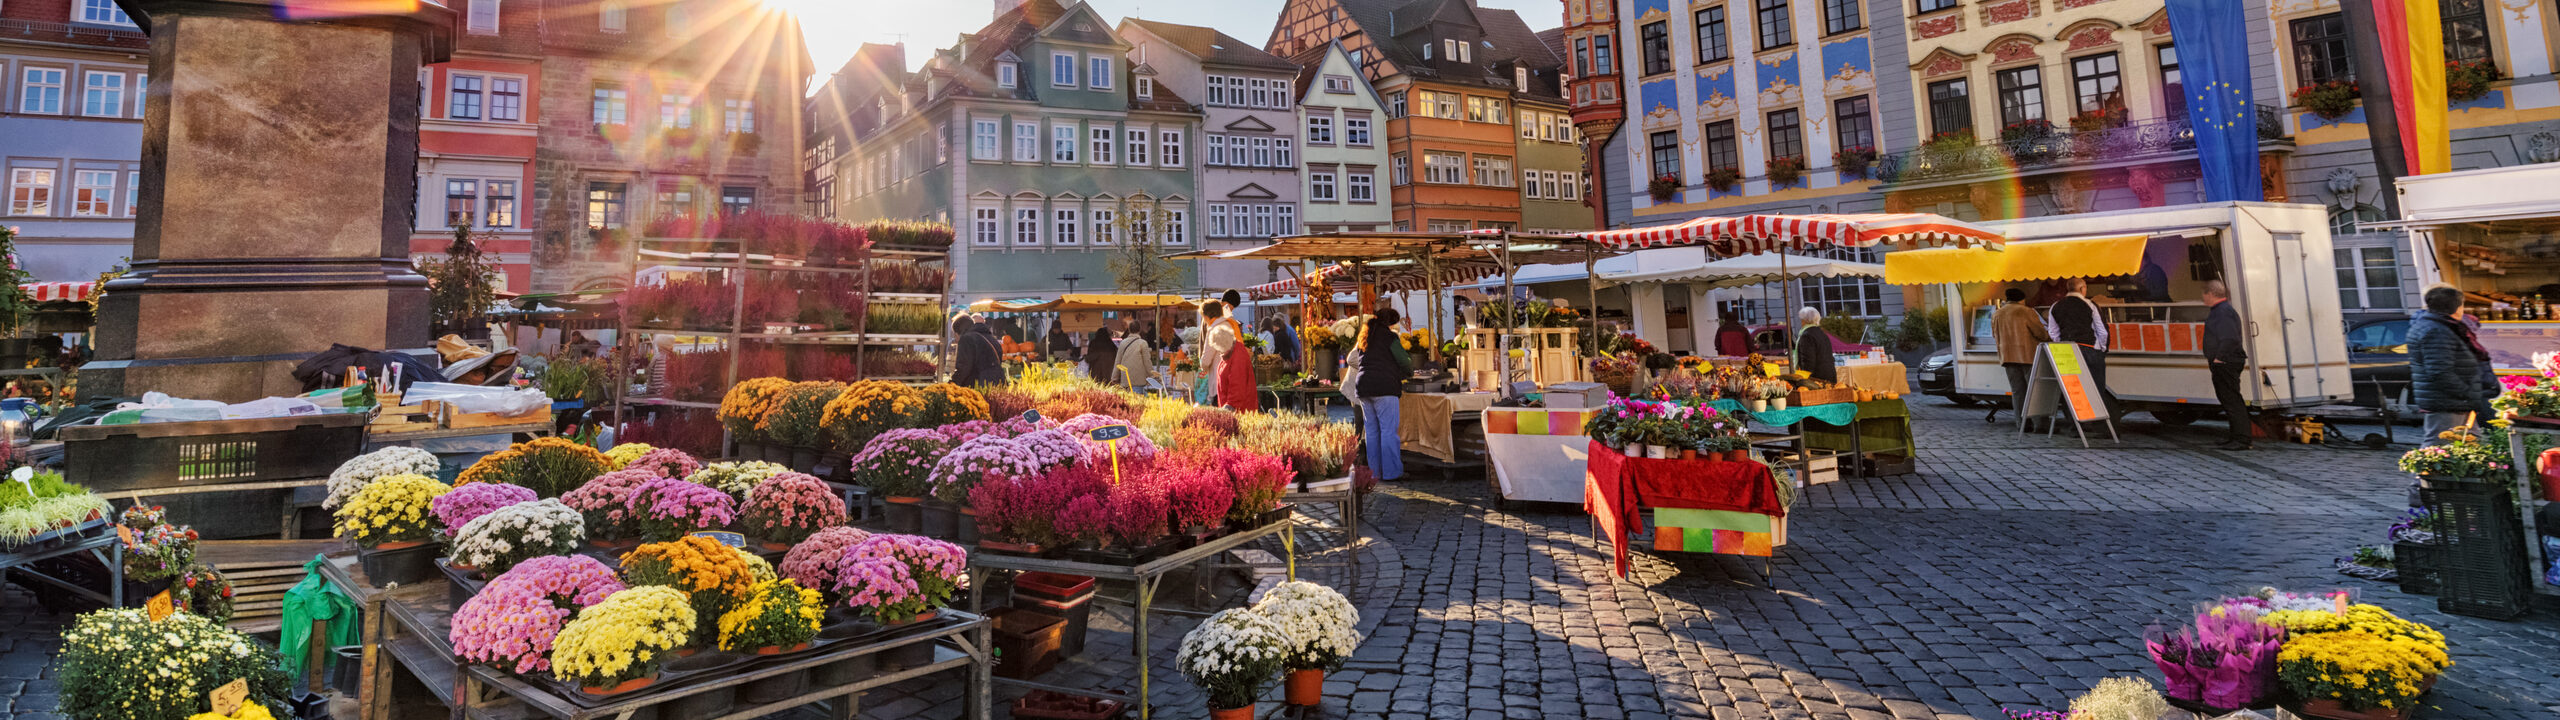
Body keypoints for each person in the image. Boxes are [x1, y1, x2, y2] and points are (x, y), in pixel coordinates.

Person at [2407, 284, 2500, 442]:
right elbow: (2439, 371)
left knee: (2470, 442)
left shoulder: (2439, 326)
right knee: (2440, 446)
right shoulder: (2436, 330)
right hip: (2447, 401)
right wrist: (2467, 392)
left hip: (2454, 400)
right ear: (2456, 307)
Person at [2043, 277, 2124, 418]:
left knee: (2072, 390)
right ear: (2082, 289)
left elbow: (2053, 332)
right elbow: (2102, 331)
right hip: (2089, 349)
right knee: (2094, 389)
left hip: (2067, 351)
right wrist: (2102, 349)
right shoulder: (2090, 305)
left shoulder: (2055, 306)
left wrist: (2063, 344)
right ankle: (2096, 421)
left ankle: (2075, 425)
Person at [1353, 308, 1412, 481]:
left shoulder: (1365, 336)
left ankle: (1374, 473)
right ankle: (1392, 472)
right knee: (1388, 431)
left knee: (1371, 432)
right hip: (1384, 386)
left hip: (1363, 386)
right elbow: (1404, 360)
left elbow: (1357, 359)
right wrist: (1409, 371)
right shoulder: (1390, 337)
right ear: (1391, 323)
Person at [2201, 280, 2253, 450]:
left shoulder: (2222, 312)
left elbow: (2229, 338)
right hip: (2226, 361)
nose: (2203, 298)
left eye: (2204, 294)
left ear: (2210, 294)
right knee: (2228, 399)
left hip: (2226, 362)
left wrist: (2219, 357)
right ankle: (2235, 436)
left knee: (2232, 400)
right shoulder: (2222, 311)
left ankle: (2242, 439)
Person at [1991, 287, 2051, 426]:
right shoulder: (2026, 311)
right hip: (2028, 355)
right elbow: (2039, 333)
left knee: (2017, 392)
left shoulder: (1997, 314)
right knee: (2035, 390)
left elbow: (1995, 334)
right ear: (2022, 299)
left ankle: (2022, 423)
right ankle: (2040, 423)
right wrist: (2048, 336)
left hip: (2007, 356)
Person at [1203, 301, 1260, 410]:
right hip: (1230, 409)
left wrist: (1228, 408)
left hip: (1240, 411)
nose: (1219, 352)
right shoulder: (1226, 355)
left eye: (1220, 349)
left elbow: (1237, 388)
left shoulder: (1237, 356)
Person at [950, 315, 1004, 386]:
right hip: (996, 383)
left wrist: (952, 383)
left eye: (954, 335)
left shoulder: (967, 339)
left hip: (978, 385)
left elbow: (964, 367)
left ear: (957, 333)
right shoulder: (991, 338)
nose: (955, 339)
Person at [1794, 307, 1837, 384]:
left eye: (1801, 320)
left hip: (1818, 379)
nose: (1801, 322)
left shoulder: (1806, 336)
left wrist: (1806, 381)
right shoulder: (1822, 333)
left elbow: (1807, 362)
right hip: (1830, 375)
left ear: (1804, 320)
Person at [1115, 323, 1155, 391]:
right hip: (1138, 381)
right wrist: (1151, 376)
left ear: (1129, 330)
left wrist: (1114, 377)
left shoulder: (1123, 343)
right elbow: (1147, 362)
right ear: (1139, 330)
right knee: (1137, 401)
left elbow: (1118, 361)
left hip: (1125, 380)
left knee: (1126, 400)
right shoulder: (1142, 343)